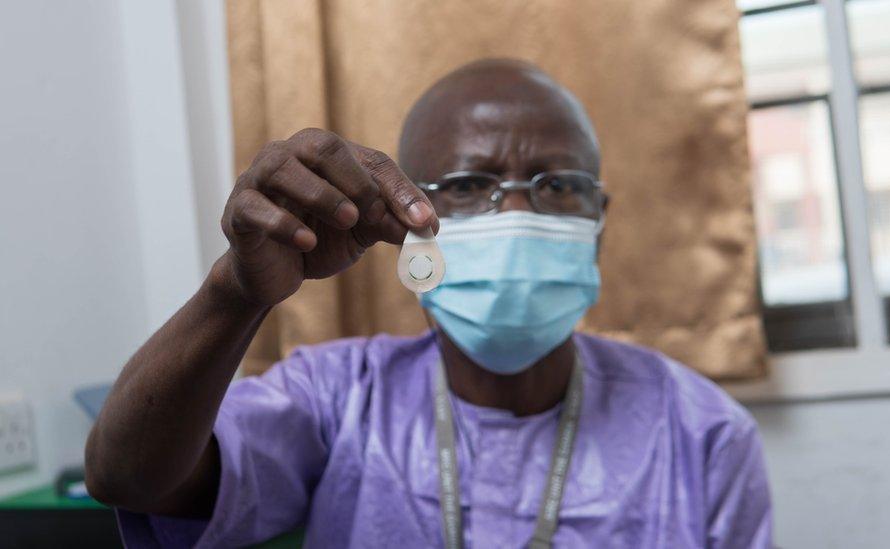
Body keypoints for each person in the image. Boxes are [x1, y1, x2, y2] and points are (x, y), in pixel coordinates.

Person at [85, 58, 772, 548]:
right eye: (471, 183)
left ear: (599, 222)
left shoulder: (702, 432)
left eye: (558, 185)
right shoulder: (336, 397)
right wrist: (235, 291)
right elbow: (128, 478)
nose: (519, 213)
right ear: (405, 213)